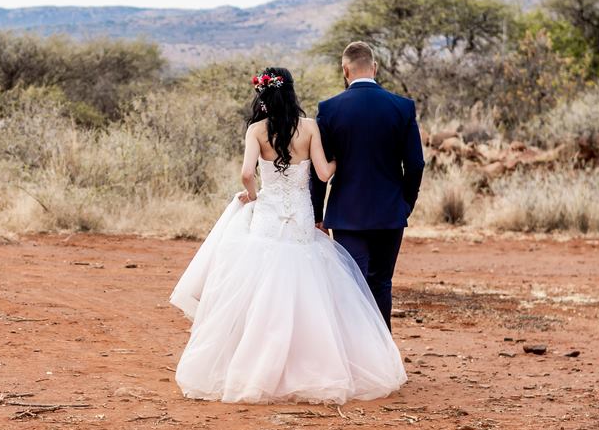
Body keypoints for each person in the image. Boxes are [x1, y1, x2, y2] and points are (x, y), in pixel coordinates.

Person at [169, 67, 406, 404]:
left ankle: (254, 368)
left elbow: (246, 173)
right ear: (292, 93)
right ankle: (312, 367)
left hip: (268, 218)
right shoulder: (309, 128)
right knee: (308, 289)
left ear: (262, 96)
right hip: (299, 222)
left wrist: (252, 196)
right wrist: (342, 160)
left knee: (259, 290)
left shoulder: (256, 130)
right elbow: (323, 173)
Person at [312, 42, 425, 331]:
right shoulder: (402, 107)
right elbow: (415, 165)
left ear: (345, 70)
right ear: (374, 68)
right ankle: (383, 359)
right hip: (390, 212)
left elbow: (319, 167)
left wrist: (317, 214)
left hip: (347, 214)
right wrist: (405, 204)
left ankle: (355, 360)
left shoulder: (329, 109)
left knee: (351, 286)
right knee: (381, 283)